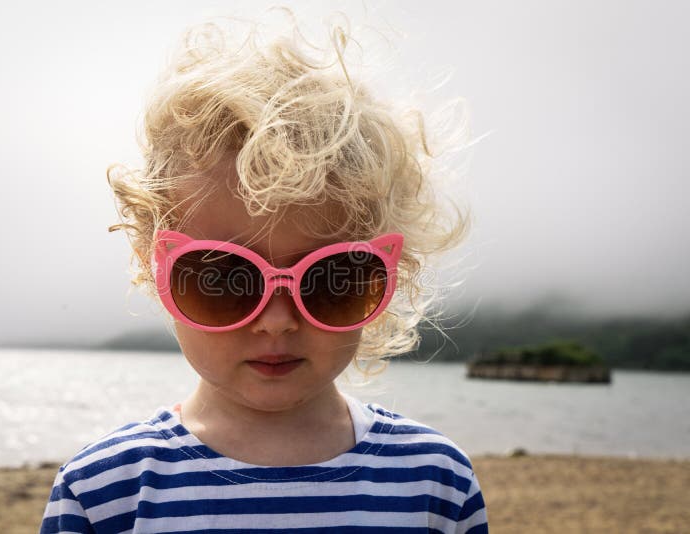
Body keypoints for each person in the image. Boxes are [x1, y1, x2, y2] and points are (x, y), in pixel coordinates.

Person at [41, 10, 488, 534]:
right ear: (154, 265)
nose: (276, 322)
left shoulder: (433, 481)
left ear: (391, 272)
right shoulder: (105, 492)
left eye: (330, 278)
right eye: (225, 278)